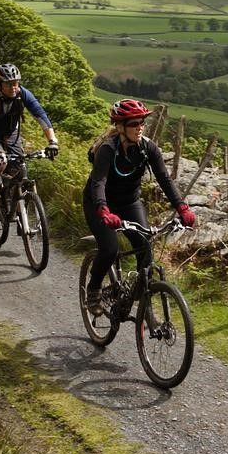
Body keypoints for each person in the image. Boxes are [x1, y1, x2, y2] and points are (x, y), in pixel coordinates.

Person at [83, 98, 197, 311]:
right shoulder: (107, 149)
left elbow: (165, 179)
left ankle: (136, 297)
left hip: (129, 202)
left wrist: (182, 207)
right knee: (109, 249)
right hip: (99, 204)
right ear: (120, 126)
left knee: (145, 248)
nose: (140, 128)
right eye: (134, 124)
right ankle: (94, 290)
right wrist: (103, 209)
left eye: (142, 123)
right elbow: (98, 182)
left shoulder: (148, 148)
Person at [0, 63, 59, 195]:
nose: (13, 87)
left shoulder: (23, 94)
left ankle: (17, 209)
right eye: (9, 84)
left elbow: (40, 116)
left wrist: (52, 142)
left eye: (16, 83)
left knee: (20, 167)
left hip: (12, 133)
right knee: (1, 161)